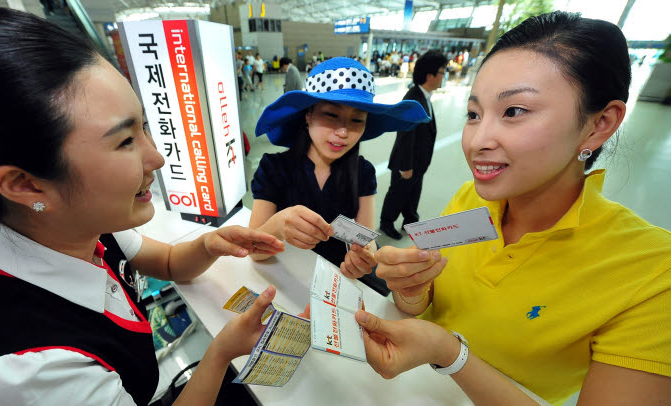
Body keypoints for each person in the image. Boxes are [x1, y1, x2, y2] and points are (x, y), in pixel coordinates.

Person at [0, 7, 290, 405]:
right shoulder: (31, 372)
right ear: (26, 185)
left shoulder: (80, 224)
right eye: (124, 141)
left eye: (143, 126)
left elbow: (169, 262)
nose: (156, 157)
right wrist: (221, 352)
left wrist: (210, 243)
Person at [356, 11, 671, 406]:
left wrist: (452, 355)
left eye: (514, 111)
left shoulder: (653, 274)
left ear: (599, 124)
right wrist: (412, 290)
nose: (477, 140)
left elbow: (442, 342)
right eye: (474, 114)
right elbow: (422, 305)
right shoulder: (470, 200)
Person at [248, 57, 429, 285]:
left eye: (357, 120)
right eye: (331, 115)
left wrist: (364, 257)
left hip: (339, 280)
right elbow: (253, 251)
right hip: (287, 278)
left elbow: (366, 237)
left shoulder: (363, 172)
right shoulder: (273, 168)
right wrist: (278, 226)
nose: (343, 132)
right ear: (308, 115)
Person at [380, 51, 448, 239]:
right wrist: (406, 166)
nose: (444, 76)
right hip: (407, 163)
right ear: (430, 76)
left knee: (413, 193)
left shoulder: (424, 96)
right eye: (442, 72)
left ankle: (410, 220)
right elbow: (405, 136)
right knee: (398, 194)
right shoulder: (412, 100)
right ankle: (386, 222)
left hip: (419, 162)